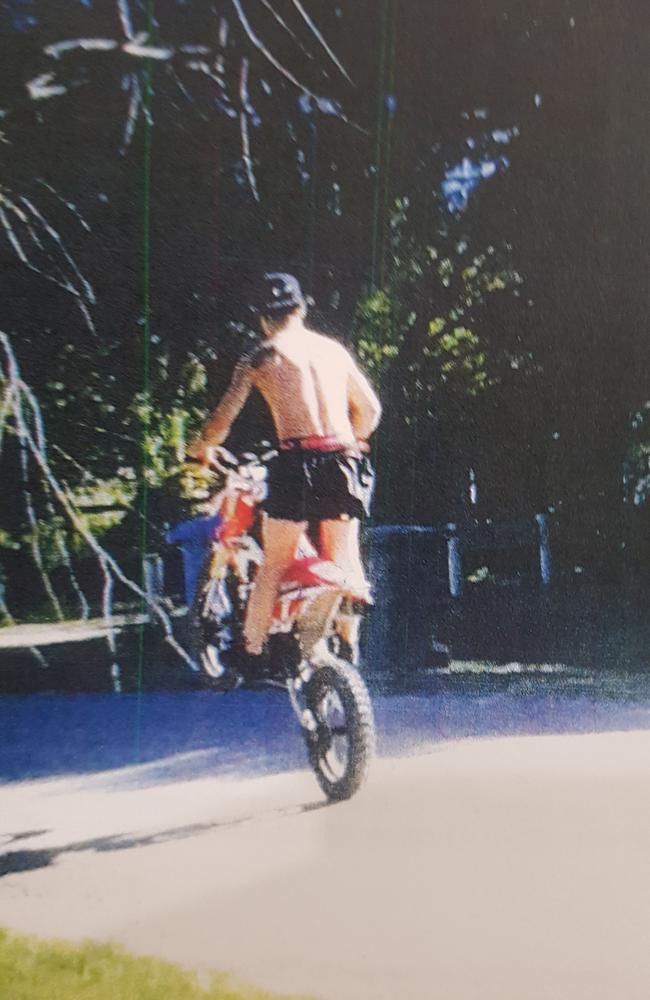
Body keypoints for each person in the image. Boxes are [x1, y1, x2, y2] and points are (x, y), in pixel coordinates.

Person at [189, 272, 381, 658]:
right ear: (302, 307)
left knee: (274, 561)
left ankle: (252, 649)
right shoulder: (333, 351)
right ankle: (348, 645)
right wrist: (352, 442)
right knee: (343, 553)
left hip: (297, 461)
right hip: (344, 458)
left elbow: (221, 423)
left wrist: (200, 447)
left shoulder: (259, 357)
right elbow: (372, 410)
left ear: (261, 317)